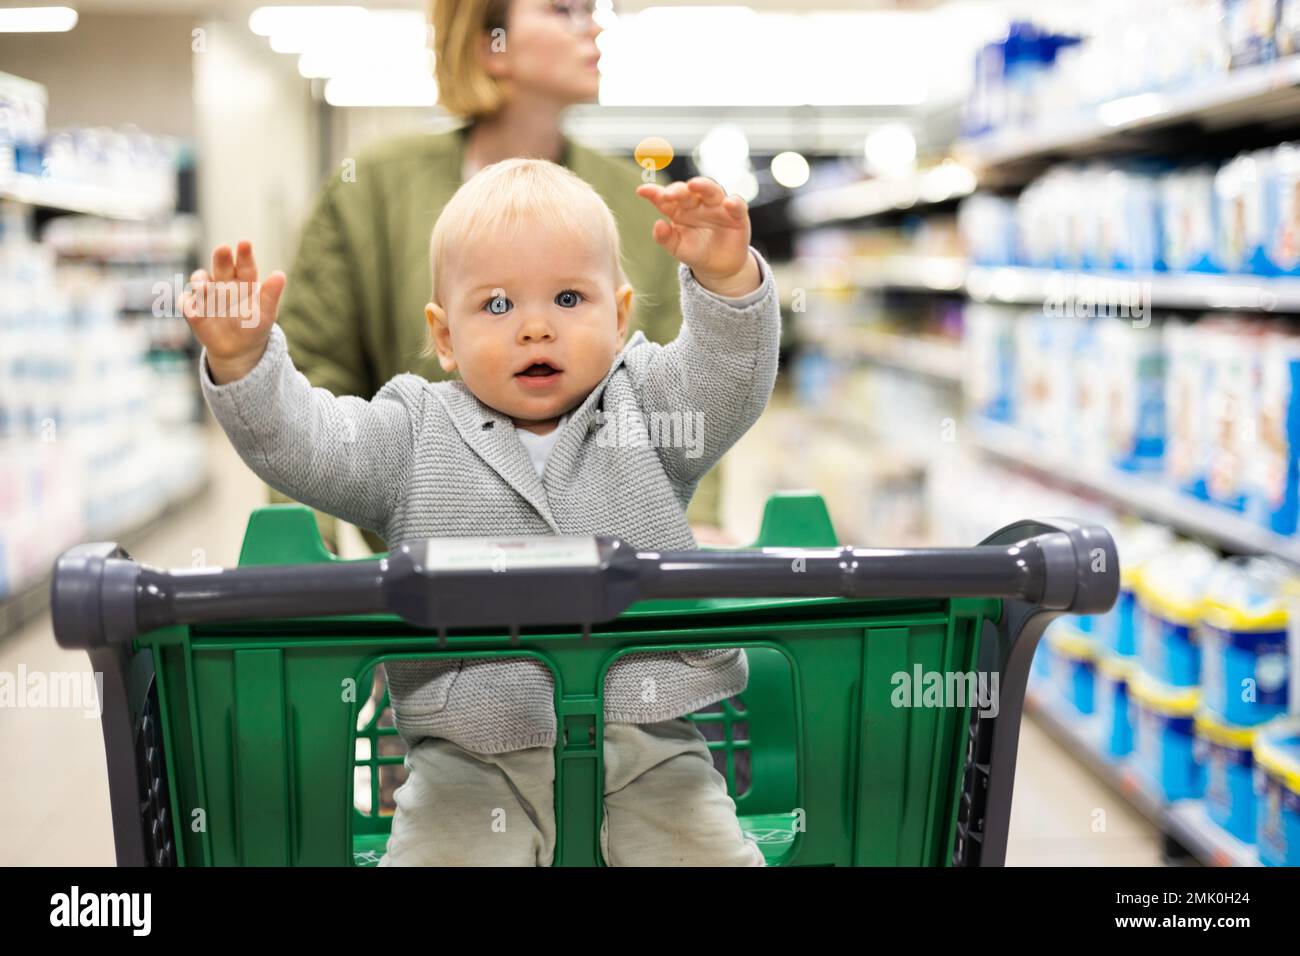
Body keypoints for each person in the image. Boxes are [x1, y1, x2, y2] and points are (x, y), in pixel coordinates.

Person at [183, 159, 779, 865]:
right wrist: (248, 363)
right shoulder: (413, 432)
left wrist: (726, 280)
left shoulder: (647, 405)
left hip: (649, 744)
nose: (534, 329)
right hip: (465, 758)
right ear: (444, 335)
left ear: (619, 317)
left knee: (702, 854)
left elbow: (728, 382)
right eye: (497, 305)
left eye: (567, 298)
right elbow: (311, 446)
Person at [273, 0, 729, 550]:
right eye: (563, 10)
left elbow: (683, 371)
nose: (594, 25)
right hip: (437, 585)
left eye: (592, 9)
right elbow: (314, 374)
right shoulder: (370, 188)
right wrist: (300, 545)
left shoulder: (635, 201)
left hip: (620, 592)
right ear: (487, 44)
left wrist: (697, 519)